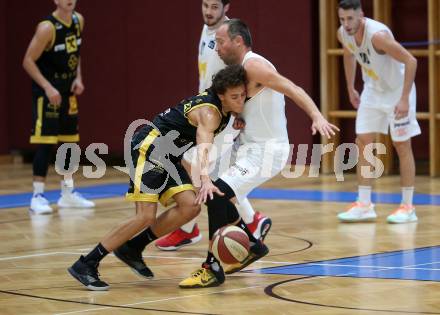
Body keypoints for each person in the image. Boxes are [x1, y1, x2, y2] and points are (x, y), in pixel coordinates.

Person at [179, 19, 339, 288]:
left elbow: (292, 88)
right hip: (245, 147)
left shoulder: (254, 64)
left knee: (216, 194)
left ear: (237, 41)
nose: (215, 47)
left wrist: (316, 116)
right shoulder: (238, 69)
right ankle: (252, 243)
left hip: (267, 151)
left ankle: (212, 267)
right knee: (202, 179)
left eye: (220, 41)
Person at [67, 65, 248, 291]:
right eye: (235, 97)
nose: (241, 100)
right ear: (221, 95)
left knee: (190, 207)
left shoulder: (226, 103)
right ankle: (86, 263)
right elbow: (203, 142)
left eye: (243, 95)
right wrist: (204, 176)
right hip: (148, 149)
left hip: (170, 154)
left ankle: (133, 248)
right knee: (144, 216)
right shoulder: (210, 113)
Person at [155, 0, 272, 251]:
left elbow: (244, 77)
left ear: (226, 7)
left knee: (197, 165)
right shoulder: (206, 30)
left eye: (214, 7)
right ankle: (250, 221)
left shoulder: (229, 38)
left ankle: (193, 228)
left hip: (221, 114)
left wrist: (241, 112)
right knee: (211, 172)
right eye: (205, 5)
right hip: (206, 107)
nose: (208, 11)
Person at [336, 0, 420, 224]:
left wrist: (403, 99)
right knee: (362, 141)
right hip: (373, 90)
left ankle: (408, 206)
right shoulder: (343, 33)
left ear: (361, 15)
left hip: (397, 90)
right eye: (342, 19)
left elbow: (411, 61)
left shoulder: (378, 36)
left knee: (402, 145)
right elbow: (349, 53)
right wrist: (350, 86)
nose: (346, 24)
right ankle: (364, 205)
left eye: (350, 19)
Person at [22, 0, 94, 214]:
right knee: (46, 143)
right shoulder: (47, 27)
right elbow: (27, 60)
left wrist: (78, 78)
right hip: (48, 93)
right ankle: (37, 196)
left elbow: (76, 54)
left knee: (69, 143)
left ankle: (68, 193)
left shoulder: (78, 20)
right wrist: (48, 87)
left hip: (67, 92)